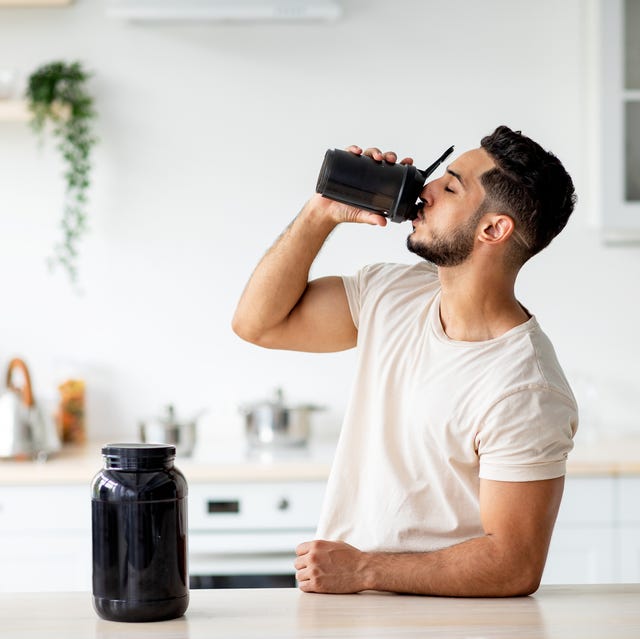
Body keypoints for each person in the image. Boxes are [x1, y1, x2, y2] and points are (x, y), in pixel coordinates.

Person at [232, 125, 578, 597]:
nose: (426, 189)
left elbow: (513, 564)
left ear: (493, 229)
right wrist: (322, 212)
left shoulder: (527, 389)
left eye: (451, 186)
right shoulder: (392, 294)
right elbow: (259, 324)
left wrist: (364, 570)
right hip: (349, 611)